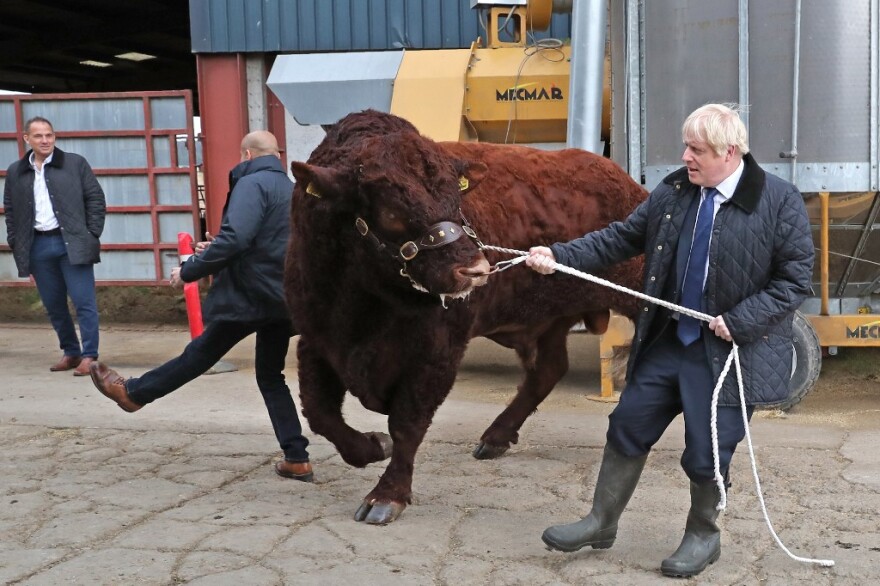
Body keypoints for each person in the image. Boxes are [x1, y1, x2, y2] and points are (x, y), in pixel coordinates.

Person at [526, 104, 814, 577]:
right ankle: (601, 520)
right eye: (686, 147)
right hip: (668, 341)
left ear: (731, 152)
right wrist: (557, 255)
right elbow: (620, 239)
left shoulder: (778, 201)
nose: (686, 157)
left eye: (697, 150)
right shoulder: (675, 191)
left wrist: (740, 320)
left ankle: (704, 536)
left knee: (707, 452)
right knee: (627, 425)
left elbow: (794, 281)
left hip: (725, 355)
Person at [88, 130, 313, 482]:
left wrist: (190, 269)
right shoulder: (291, 189)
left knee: (198, 355)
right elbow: (269, 241)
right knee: (270, 376)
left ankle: (133, 393)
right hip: (282, 297)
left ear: (247, 156)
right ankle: (296, 457)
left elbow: (237, 237)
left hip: (249, 297)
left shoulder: (251, 185)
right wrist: (218, 250)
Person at [4, 116, 106, 376]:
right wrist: (16, 240)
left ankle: (90, 355)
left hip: (70, 242)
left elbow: (95, 198)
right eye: (38, 136)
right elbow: (11, 210)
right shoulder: (16, 171)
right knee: (53, 304)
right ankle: (71, 352)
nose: (45, 140)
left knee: (84, 301)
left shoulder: (74, 164)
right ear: (27, 138)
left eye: (49, 135)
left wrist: (91, 234)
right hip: (37, 245)